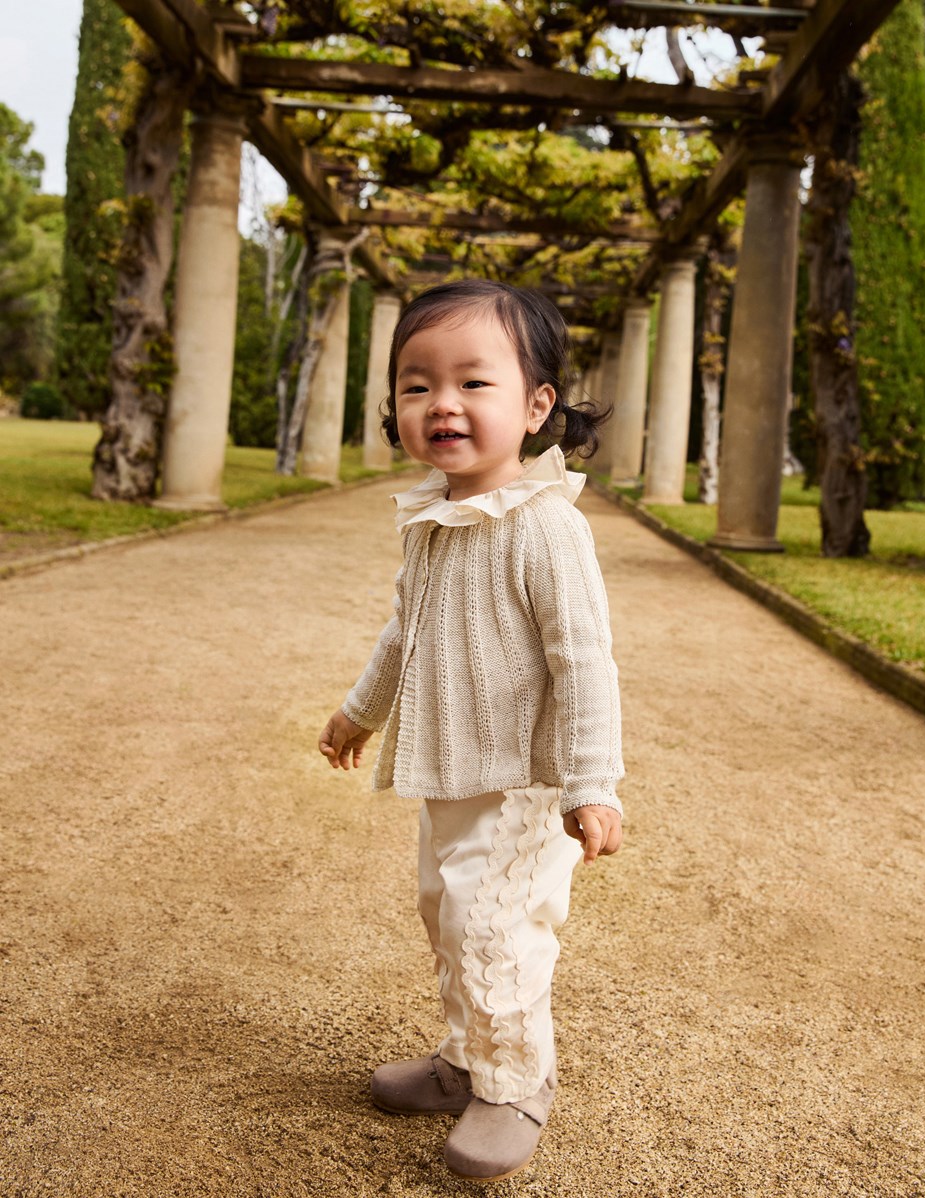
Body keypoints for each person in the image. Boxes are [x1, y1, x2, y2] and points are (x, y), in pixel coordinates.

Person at [319, 279, 624, 1183]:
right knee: (449, 917)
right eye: (417, 385)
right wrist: (359, 710)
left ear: (537, 406)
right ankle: (467, 1058)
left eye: (473, 383)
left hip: (526, 783)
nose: (441, 403)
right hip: (453, 773)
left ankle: (517, 1083)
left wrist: (592, 781)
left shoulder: (545, 529)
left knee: (497, 928)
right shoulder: (432, 523)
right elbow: (404, 632)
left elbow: (584, 660)